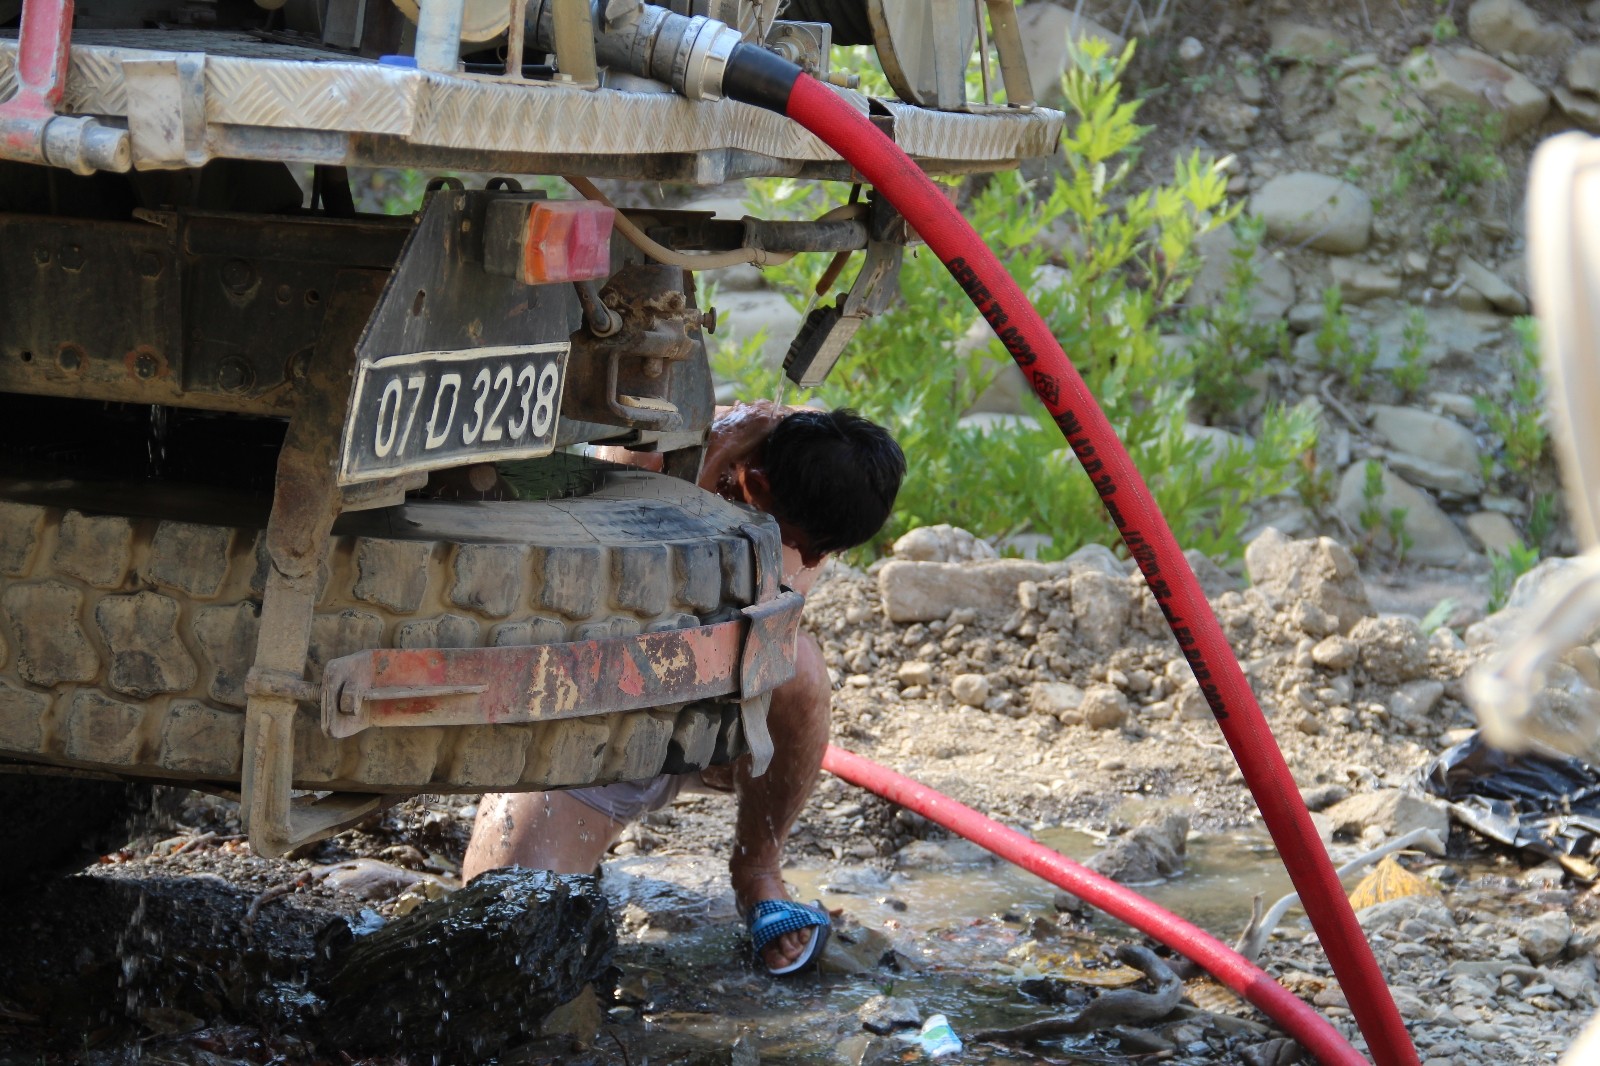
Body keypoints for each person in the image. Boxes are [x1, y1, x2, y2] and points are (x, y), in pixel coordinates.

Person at [462, 402, 906, 975]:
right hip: (587, 741)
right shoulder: (647, 460)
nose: (816, 561)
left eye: (829, 551)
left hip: (714, 727)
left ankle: (757, 872)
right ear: (755, 483)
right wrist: (714, 458)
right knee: (501, 940)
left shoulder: (827, 466)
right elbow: (626, 582)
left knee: (797, 668)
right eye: (808, 545)